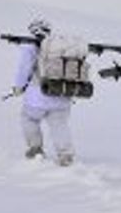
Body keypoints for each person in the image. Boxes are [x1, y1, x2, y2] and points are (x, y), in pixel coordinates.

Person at [11, 18, 75, 166]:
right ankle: (65, 155)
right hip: (62, 95)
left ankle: (35, 148)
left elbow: (24, 68)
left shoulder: (30, 47)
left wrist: (18, 87)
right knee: (59, 125)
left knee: (29, 119)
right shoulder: (62, 48)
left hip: (37, 97)